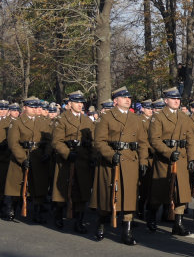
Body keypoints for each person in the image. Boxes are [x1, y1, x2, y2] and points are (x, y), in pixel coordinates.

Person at [91, 87, 149, 244]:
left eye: (129, 97)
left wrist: (143, 161)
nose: (127, 99)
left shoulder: (136, 119)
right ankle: (101, 223)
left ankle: (127, 231)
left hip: (130, 160)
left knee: (129, 198)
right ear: (115, 101)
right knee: (107, 196)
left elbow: (143, 142)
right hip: (111, 161)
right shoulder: (107, 117)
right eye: (123, 97)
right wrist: (111, 155)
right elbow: (99, 142)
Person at [148, 87, 194, 235]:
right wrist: (169, 153)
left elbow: (190, 139)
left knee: (181, 192)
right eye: (173, 98)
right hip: (165, 159)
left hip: (181, 157)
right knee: (160, 191)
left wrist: (192, 158)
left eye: (178, 99)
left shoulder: (184, 117)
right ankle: (151, 217)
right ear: (166, 100)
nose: (177, 101)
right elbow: (154, 140)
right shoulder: (159, 117)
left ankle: (178, 223)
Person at [50, 91, 94, 233]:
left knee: (81, 191)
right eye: (77, 102)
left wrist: (91, 152)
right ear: (69, 104)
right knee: (63, 189)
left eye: (82, 102)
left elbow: (93, 140)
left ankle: (79, 221)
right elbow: (56, 142)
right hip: (66, 161)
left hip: (82, 160)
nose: (80, 105)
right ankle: (58, 215)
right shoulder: (61, 119)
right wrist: (68, 153)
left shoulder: (87, 120)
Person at [3, 98, 51, 223]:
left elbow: (49, 140)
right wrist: (22, 159)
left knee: (39, 186)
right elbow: (13, 143)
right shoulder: (17, 122)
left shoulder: (43, 121)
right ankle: (12, 207)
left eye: (36, 107)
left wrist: (47, 153)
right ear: (24, 107)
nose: (35, 109)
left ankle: (37, 211)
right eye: (32, 107)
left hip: (38, 155)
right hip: (21, 155)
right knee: (17, 184)